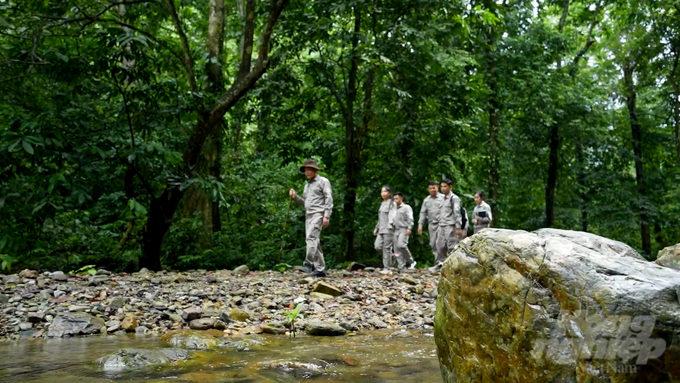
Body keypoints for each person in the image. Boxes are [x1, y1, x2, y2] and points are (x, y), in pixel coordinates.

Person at [289, 159, 333, 278]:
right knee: (314, 241)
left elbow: (328, 199)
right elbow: (305, 203)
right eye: (305, 170)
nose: (307, 172)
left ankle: (308, 263)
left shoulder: (323, 181)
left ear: (315, 170)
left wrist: (327, 216)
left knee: (311, 238)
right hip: (308, 215)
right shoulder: (307, 186)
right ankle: (320, 268)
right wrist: (295, 197)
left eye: (309, 170)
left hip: (318, 214)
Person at [430, 179, 462, 272]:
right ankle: (440, 264)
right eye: (442, 187)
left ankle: (453, 267)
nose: (443, 189)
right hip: (442, 225)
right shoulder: (442, 198)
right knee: (439, 245)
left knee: (451, 246)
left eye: (445, 186)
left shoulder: (454, 198)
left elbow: (457, 212)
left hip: (450, 225)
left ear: (450, 187)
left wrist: (458, 226)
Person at [417, 182, 445, 263]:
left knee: (440, 243)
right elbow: (423, 213)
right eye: (430, 188)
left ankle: (441, 261)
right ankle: (438, 262)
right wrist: (420, 225)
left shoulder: (443, 198)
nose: (432, 190)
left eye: (434, 188)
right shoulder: (426, 200)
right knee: (433, 244)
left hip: (442, 224)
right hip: (432, 224)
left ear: (437, 188)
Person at [373, 186, 397, 269]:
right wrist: (376, 228)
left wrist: (391, 226)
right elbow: (380, 218)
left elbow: (393, 216)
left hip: (389, 229)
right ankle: (392, 256)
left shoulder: (392, 203)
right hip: (381, 229)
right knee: (377, 246)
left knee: (386, 248)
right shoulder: (382, 203)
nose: (383, 193)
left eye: (385, 192)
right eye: (382, 192)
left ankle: (387, 267)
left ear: (389, 193)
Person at [393, 192, 417, 270]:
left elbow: (410, 218)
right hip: (395, 229)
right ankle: (401, 265)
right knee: (396, 248)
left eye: (397, 198)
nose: (395, 200)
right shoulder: (393, 208)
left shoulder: (406, 207)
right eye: (394, 199)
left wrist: (410, 228)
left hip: (404, 228)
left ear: (401, 198)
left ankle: (411, 261)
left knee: (401, 245)